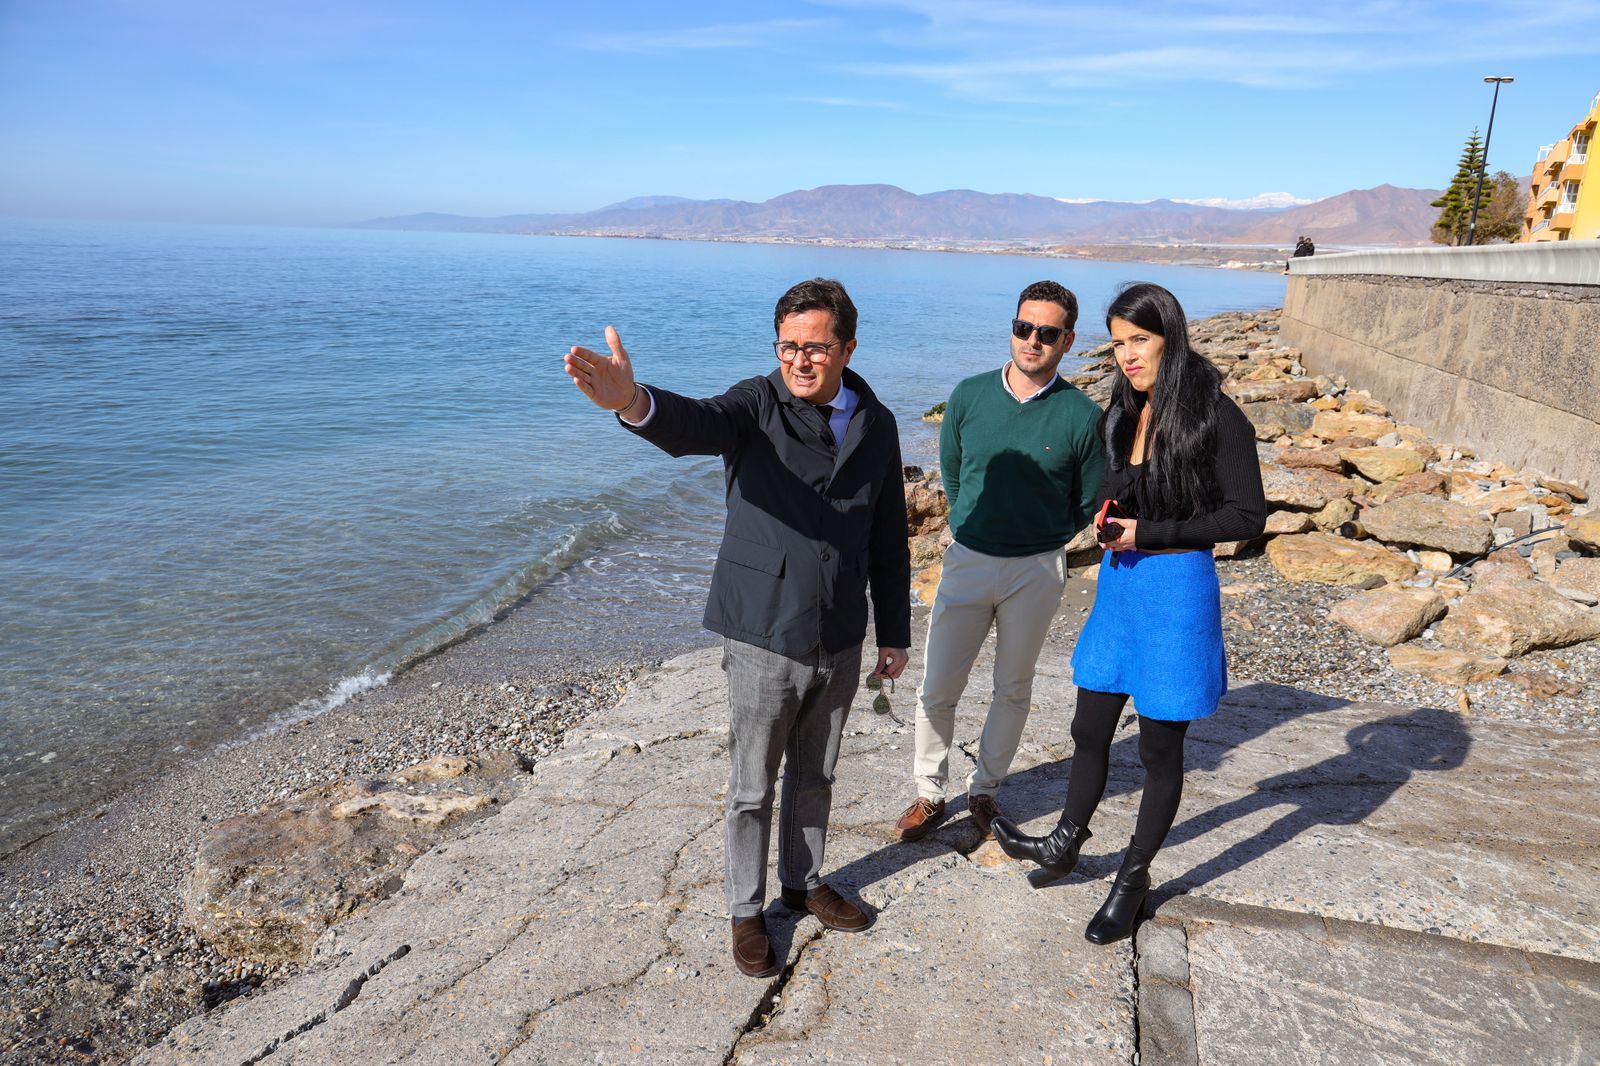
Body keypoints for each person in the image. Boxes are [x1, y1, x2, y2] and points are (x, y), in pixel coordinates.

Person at [562, 278, 912, 979]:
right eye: (788, 346)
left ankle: (803, 882)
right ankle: (745, 910)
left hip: (840, 629)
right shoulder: (756, 403)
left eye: (816, 347)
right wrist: (633, 403)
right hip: (762, 627)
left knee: (817, 772)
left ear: (846, 346)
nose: (800, 361)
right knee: (752, 784)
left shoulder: (876, 420)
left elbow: (888, 535)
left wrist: (893, 630)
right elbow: (697, 423)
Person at [991, 282, 1266, 945]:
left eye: (1138, 340)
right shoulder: (1123, 407)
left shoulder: (1217, 417)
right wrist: (1109, 514)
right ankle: (1065, 843)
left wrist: (1152, 532)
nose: (1126, 356)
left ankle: (1133, 878)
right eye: (1116, 343)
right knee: (1090, 728)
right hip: (1120, 589)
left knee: (1158, 748)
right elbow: (1122, 486)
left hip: (1175, 592)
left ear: (1170, 336)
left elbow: (1247, 516)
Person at [893, 281, 1103, 844]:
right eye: (1023, 327)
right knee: (938, 685)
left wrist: (1047, 537)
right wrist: (970, 525)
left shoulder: (1082, 415)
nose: (1032, 341)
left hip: (1036, 570)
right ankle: (929, 794)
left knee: (1013, 686)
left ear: (1067, 341)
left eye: (1047, 333)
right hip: (968, 562)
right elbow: (954, 473)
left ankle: (985, 790)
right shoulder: (968, 396)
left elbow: (1087, 498)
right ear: (1012, 327)